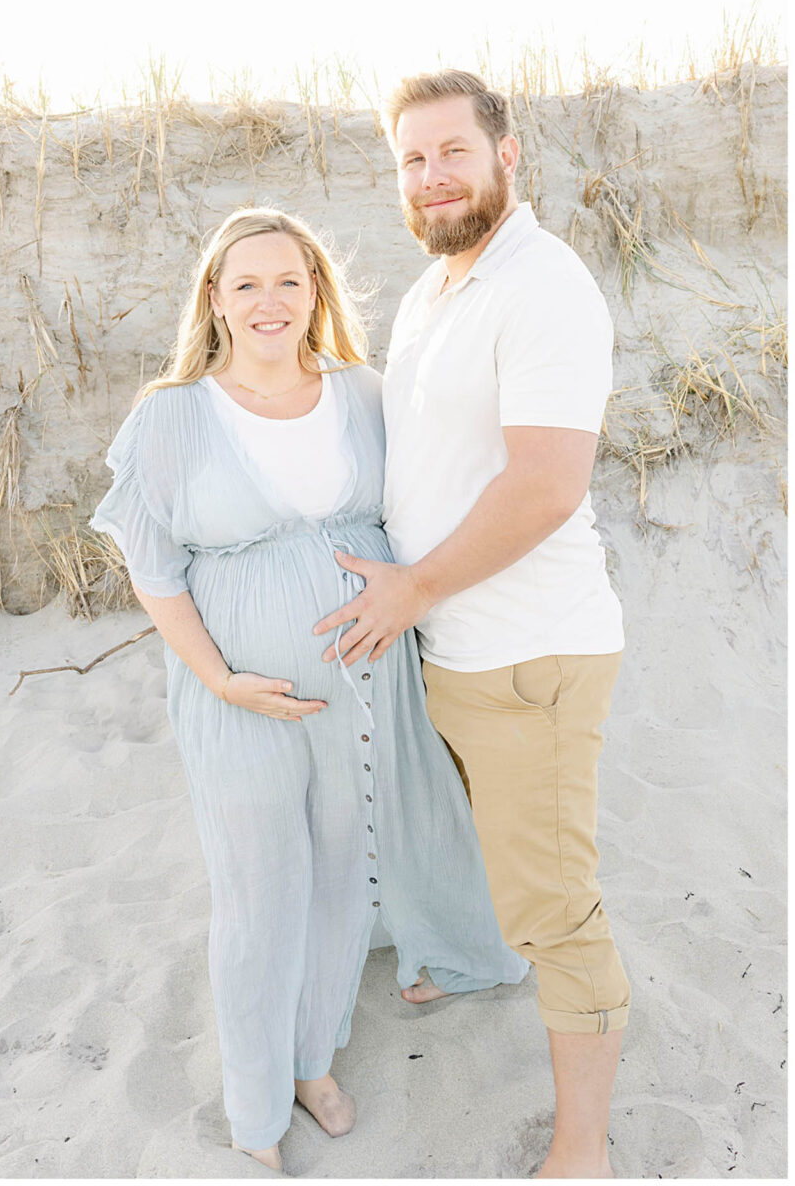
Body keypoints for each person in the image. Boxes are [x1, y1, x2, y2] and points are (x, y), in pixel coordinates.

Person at [90, 207, 526, 1173]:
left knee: (339, 873)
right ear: (214, 299)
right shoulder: (172, 414)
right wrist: (222, 680)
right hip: (235, 694)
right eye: (245, 284)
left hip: (365, 686)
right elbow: (155, 572)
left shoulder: (365, 394)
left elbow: (440, 500)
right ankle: (254, 1111)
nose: (268, 301)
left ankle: (309, 1060)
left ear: (317, 291)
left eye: (288, 280)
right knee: (258, 892)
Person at [314, 70, 628, 1181]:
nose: (433, 175)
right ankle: (474, 959)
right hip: (455, 644)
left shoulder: (542, 284)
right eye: (412, 158)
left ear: (508, 154)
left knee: (559, 909)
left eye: (453, 151)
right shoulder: (435, 289)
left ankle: (581, 1149)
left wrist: (410, 588)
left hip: (527, 653)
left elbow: (545, 485)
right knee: (490, 851)